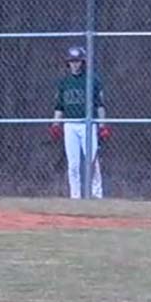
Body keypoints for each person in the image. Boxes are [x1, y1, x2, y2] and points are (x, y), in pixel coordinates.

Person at [50, 46, 107, 199]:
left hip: (87, 124)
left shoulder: (92, 80)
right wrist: (56, 124)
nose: (75, 64)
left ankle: (97, 195)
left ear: (83, 62)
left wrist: (102, 125)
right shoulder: (64, 82)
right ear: (68, 63)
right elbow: (59, 106)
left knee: (92, 161)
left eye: (78, 61)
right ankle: (75, 196)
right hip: (70, 125)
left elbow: (100, 104)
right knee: (73, 164)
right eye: (72, 61)